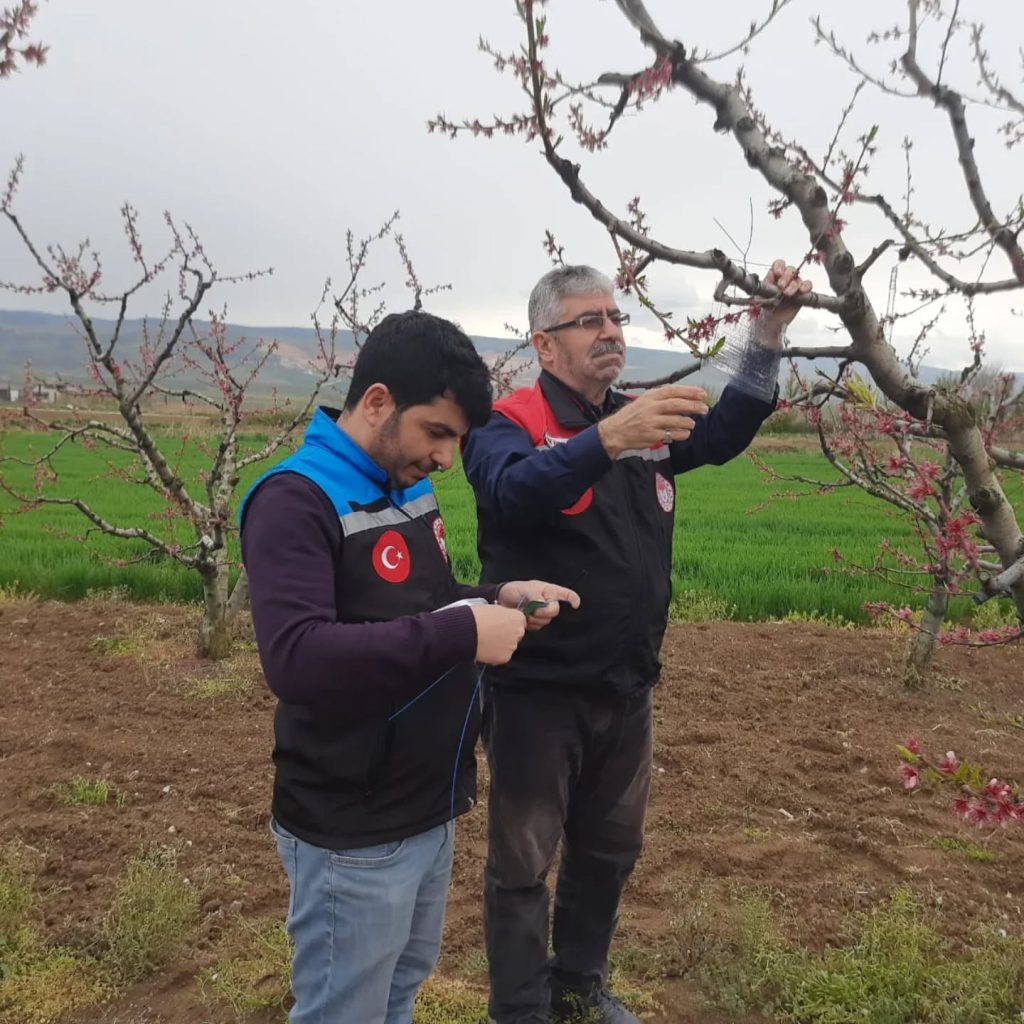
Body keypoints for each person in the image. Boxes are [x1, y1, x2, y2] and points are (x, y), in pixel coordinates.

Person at [463, 261, 812, 1024]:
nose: (611, 332)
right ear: (545, 344)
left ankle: (578, 986)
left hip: (627, 686)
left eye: (615, 318)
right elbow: (508, 491)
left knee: (609, 851)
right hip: (537, 694)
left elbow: (723, 432)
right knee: (523, 864)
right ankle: (519, 1010)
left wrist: (766, 334)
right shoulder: (509, 424)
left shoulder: (639, 421)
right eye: (590, 320)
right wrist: (605, 441)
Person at [240, 310, 580, 1024]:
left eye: (457, 440)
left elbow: (423, 605)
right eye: (437, 432)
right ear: (376, 403)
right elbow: (297, 658)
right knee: (345, 1010)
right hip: (352, 827)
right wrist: (463, 631)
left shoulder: (408, 488)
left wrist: (496, 596)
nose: (447, 458)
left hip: (429, 805)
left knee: (398, 994)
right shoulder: (295, 500)